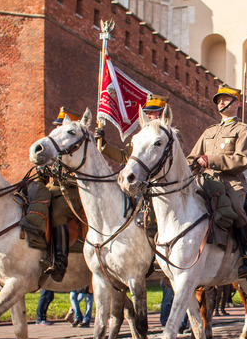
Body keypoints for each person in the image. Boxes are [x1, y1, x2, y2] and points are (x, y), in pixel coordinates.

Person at [187, 84, 247, 281]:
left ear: (237, 104)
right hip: (204, 180)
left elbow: (242, 161)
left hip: (230, 181)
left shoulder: (243, 130)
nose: (221, 102)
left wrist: (212, 160)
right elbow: (192, 156)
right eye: (219, 100)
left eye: (226, 99)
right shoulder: (210, 131)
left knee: (235, 208)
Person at [20, 107, 82, 282]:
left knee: (57, 212)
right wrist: (38, 177)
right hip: (51, 192)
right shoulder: (53, 152)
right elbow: (44, 178)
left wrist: (63, 177)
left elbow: (80, 176)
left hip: (71, 193)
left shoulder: (77, 151)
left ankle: (60, 262)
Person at [95, 93, 169, 165]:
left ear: (162, 114)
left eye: (151, 113)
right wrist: (103, 144)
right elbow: (124, 157)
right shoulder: (142, 136)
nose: (148, 116)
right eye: (146, 113)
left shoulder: (172, 135)